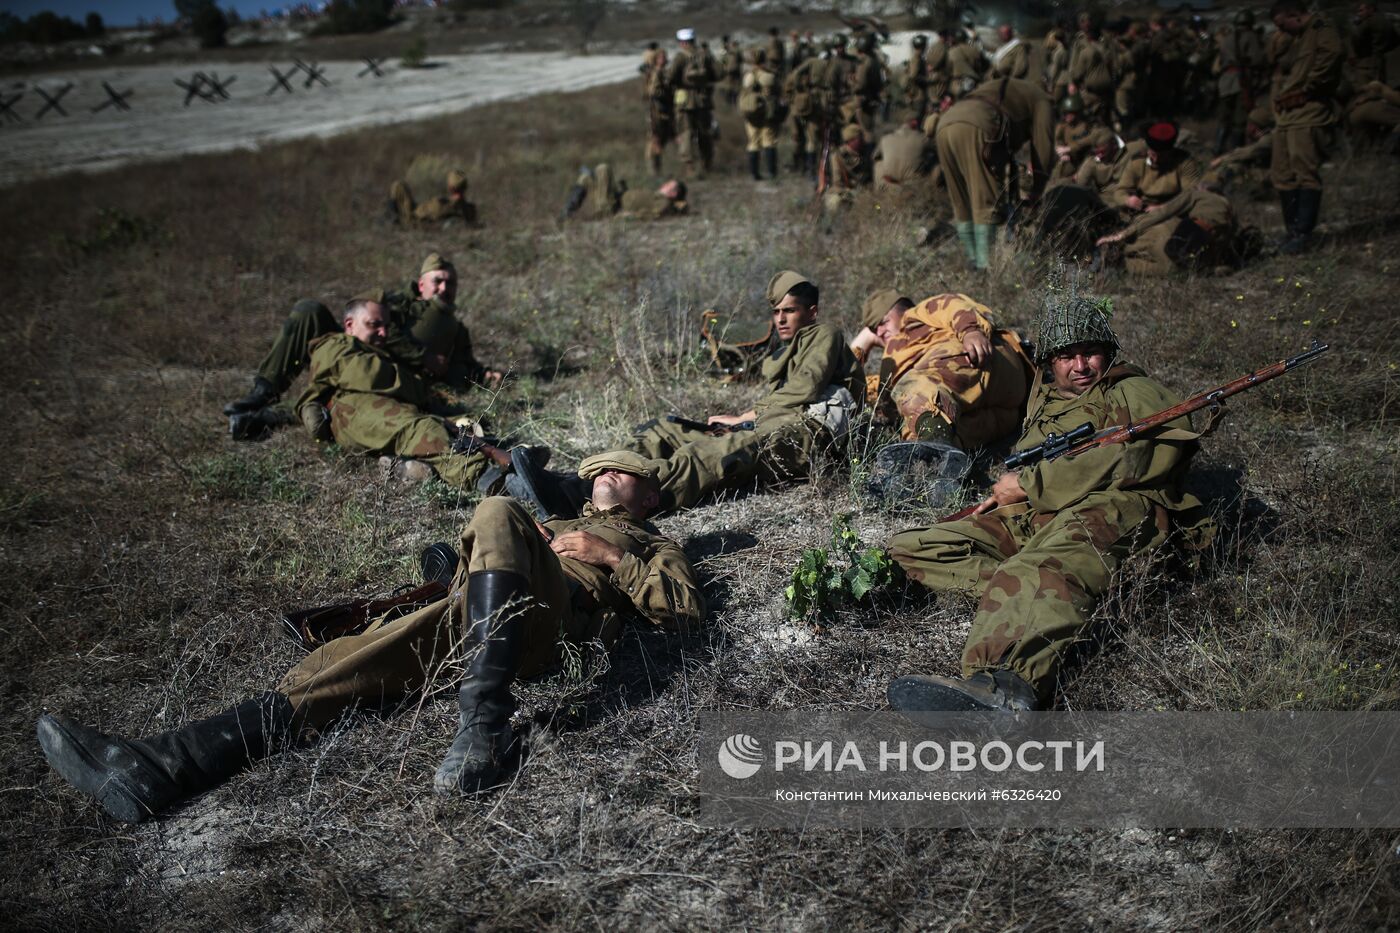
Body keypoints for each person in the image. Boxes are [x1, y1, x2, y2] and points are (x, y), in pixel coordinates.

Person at [35, 452, 705, 820]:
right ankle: (161, 766)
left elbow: (682, 613)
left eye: (621, 472)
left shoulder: (653, 540)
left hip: (548, 627)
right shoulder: (556, 519)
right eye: (597, 472)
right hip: (475, 615)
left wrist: (613, 555)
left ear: (649, 496)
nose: (603, 477)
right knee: (332, 679)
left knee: (498, 507)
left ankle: (487, 722)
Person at [885, 291, 1212, 712]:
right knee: (913, 547)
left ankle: (1005, 685)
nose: (1080, 366)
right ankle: (1032, 593)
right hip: (1037, 517)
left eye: (1091, 353)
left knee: (1033, 567)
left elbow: (1133, 459)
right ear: (1049, 361)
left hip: (1114, 508)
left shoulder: (1134, 391)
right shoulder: (1045, 398)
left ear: (1108, 353)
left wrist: (1029, 485)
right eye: (1067, 356)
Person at [518, 272, 864, 518]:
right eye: (776, 312)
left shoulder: (825, 333)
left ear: (812, 312)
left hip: (808, 435)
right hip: (774, 426)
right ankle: (591, 483)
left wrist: (743, 418)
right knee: (660, 431)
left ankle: (593, 500)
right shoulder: (788, 348)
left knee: (705, 453)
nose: (780, 319)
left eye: (789, 310)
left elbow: (805, 389)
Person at [222, 253, 501, 436]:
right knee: (309, 311)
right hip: (354, 353)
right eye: (437, 281)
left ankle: (264, 419)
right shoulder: (392, 303)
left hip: (389, 378)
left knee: (347, 401)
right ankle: (263, 391)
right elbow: (368, 324)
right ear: (420, 284)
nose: (444, 288)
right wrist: (421, 354)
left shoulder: (455, 328)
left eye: (450, 283)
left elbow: (464, 364)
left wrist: (484, 375)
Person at [293, 294, 524, 490]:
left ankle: (406, 467)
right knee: (418, 429)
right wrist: (414, 385)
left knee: (450, 425)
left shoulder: (373, 350)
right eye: (374, 325)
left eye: (385, 326)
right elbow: (373, 376)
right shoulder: (334, 345)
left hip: (373, 408)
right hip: (347, 409)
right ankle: (487, 479)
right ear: (350, 324)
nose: (383, 333)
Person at [848, 289, 1032, 447]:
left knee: (915, 388)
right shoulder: (891, 361)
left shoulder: (915, 315)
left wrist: (971, 331)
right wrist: (862, 343)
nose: (879, 332)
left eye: (883, 322)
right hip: (1004, 411)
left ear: (901, 310)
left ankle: (936, 448)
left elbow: (951, 306)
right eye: (874, 330)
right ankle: (936, 469)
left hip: (977, 361)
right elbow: (861, 390)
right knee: (917, 437)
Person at [936, 76, 1056, 270]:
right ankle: (985, 268)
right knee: (985, 200)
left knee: (961, 199)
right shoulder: (1042, 100)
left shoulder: (1000, 86)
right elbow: (1043, 146)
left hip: (946, 122)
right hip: (980, 125)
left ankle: (972, 261)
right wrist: (1038, 188)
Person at [1269, 0, 1344, 254]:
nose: (1283, 30)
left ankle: (1302, 234)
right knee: (1281, 172)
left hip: (1309, 110)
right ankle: (1291, 230)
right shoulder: (1297, 37)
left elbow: (1333, 54)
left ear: (1295, 15)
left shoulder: (1321, 28)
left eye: (1283, 24)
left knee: (1304, 170)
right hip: (1288, 113)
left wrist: (1311, 87)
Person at [1096, 173, 1243, 276]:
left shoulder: (1197, 195)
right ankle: (1122, 262)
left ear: (1202, 188)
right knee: (1175, 269)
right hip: (1208, 251)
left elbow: (1163, 212)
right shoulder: (1231, 208)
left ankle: (1118, 259)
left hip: (1188, 236)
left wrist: (1123, 235)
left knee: (1152, 247)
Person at [1108, 122, 1203, 215]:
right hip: (1143, 211)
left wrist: (1163, 208)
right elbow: (1120, 191)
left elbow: (1190, 195)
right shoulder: (1138, 162)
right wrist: (1128, 200)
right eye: (1153, 154)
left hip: (1174, 211)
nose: (1156, 160)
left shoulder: (1184, 162)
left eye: (1162, 156)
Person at [668, 28, 719, 178]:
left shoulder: (680, 57)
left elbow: (670, 78)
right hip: (703, 101)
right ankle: (707, 163)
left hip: (684, 102)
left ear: (682, 42)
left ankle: (690, 167)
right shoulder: (705, 55)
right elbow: (719, 74)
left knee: (686, 134)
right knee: (705, 133)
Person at [1214, 11, 1267, 155]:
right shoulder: (1251, 37)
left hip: (1225, 81)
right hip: (1241, 81)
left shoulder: (1227, 38)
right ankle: (1236, 151)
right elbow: (1257, 60)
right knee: (1239, 119)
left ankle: (1218, 148)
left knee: (1224, 118)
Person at [562, 164, 689, 221]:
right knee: (586, 178)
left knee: (603, 169)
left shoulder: (663, 202)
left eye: (668, 185)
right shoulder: (656, 195)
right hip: (613, 199)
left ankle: (598, 210)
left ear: (673, 194)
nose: (664, 185)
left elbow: (653, 214)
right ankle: (568, 212)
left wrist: (629, 216)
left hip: (611, 207)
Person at [740, 49, 781, 180]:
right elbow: (778, 91)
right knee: (769, 141)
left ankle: (754, 173)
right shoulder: (769, 76)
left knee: (753, 142)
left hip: (751, 114)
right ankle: (771, 172)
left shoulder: (748, 77)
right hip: (767, 114)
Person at [389, 168, 477, 228]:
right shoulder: (470, 209)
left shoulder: (439, 205)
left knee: (398, 185)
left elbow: (416, 215)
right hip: (425, 217)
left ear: (450, 187)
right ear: (465, 187)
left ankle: (392, 219)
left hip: (413, 217)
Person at [871, 118, 936, 196]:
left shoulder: (885, 138)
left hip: (889, 182)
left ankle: (878, 191)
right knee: (936, 164)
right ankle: (933, 192)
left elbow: (874, 157)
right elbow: (937, 148)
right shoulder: (922, 138)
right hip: (913, 184)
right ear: (915, 125)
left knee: (878, 164)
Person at [643, 47, 675, 175]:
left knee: (662, 141)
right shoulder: (656, 73)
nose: (664, 59)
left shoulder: (664, 72)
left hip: (667, 112)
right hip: (656, 112)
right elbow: (653, 92)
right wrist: (667, 92)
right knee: (654, 142)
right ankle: (653, 171)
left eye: (664, 57)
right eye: (661, 57)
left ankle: (658, 170)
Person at [1349, 2, 1398, 84]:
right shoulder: (1386, 21)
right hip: (1381, 61)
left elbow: (1355, 39)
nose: (1359, 14)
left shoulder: (1367, 22)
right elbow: (1396, 39)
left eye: (1361, 11)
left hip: (1367, 63)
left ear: (1370, 9)